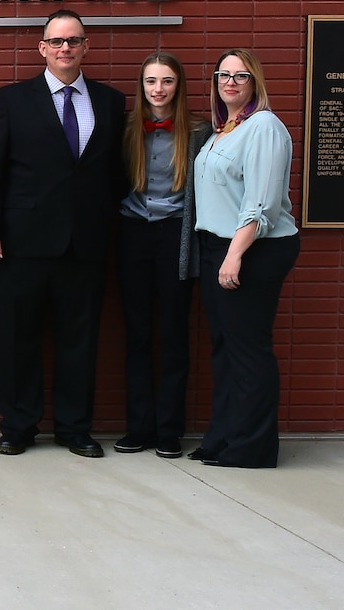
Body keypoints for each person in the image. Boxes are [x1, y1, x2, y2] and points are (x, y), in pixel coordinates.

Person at [0, 8, 127, 458]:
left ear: (86, 47)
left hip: (86, 244)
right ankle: (17, 426)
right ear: (42, 48)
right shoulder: (13, 99)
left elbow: (115, 173)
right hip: (20, 243)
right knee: (17, 338)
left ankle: (74, 428)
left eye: (74, 41)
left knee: (80, 340)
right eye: (57, 41)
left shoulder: (111, 102)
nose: (66, 48)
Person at [192, 48, 300, 468]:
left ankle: (252, 448)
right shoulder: (224, 130)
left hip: (253, 250)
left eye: (240, 75)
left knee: (248, 350)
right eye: (223, 74)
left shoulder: (264, 127)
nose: (231, 82)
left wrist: (235, 256)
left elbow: (262, 203)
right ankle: (223, 438)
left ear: (255, 82)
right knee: (225, 349)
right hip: (218, 247)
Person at [113, 53, 208, 459]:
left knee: (173, 335)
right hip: (132, 235)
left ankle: (169, 430)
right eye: (151, 81)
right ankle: (139, 427)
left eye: (167, 81)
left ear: (178, 85)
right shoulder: (124, 129)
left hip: (176, 236)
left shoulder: (201, 131)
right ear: (141, 85)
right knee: (136, 335)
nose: (158, 89)